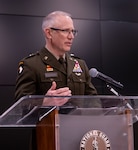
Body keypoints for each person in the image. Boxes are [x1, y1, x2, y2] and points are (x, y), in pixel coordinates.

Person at [15, 10, 99, 107]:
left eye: (73, 31)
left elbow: (93, 99)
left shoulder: (79, 64)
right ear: (49, 33)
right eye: (66, 31)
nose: (71, 36)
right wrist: (43, 102)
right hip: (48, 122)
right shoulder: (31, 65)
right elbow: (21, 104)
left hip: (78, 121)